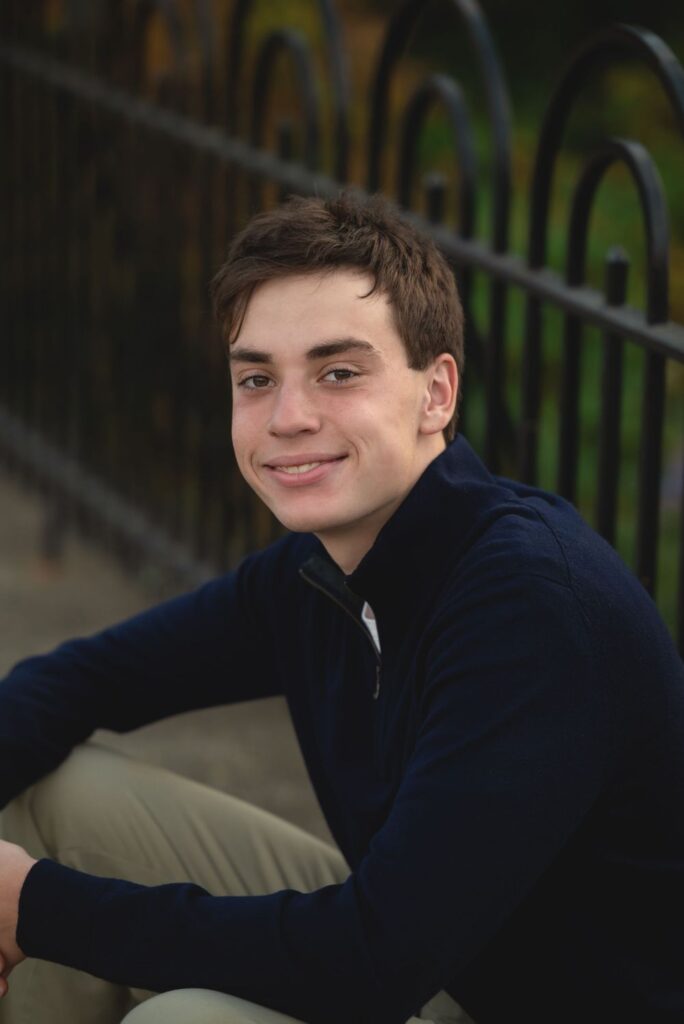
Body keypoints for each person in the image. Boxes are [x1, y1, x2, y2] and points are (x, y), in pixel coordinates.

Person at [0, 192, 682, 1024]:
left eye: (339, 372)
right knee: (55, 801)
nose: (288, 418)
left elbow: (369, 963)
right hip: (438, 959)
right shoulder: (319, 572)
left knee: (186, 1022)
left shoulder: (532, 608)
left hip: (506, 996)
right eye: (257, 379)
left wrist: (37, 911)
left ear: (437, 394)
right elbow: (84, 680)